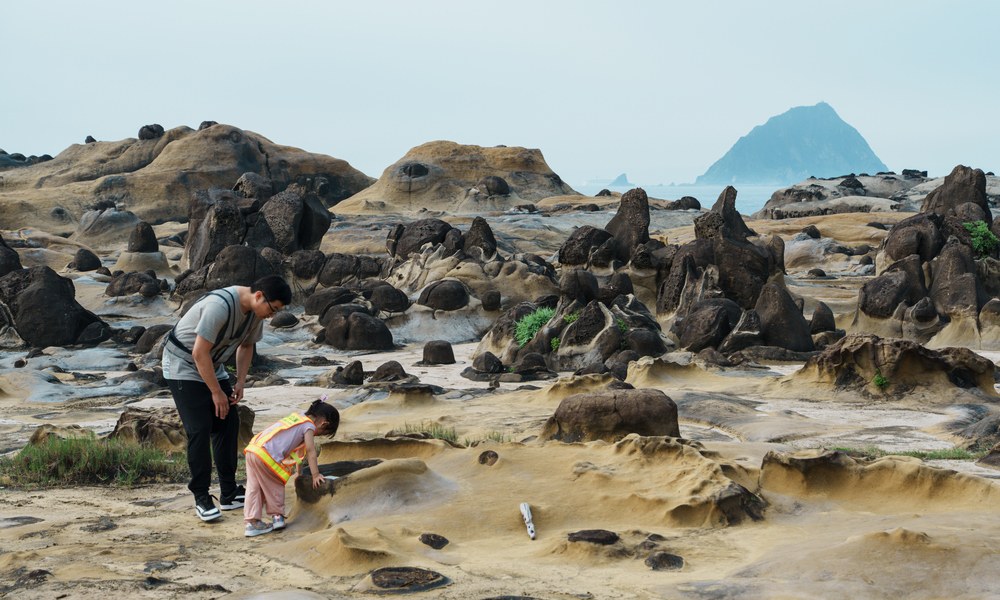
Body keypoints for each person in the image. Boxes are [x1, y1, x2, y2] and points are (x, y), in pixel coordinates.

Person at [162, 275, 292, 522]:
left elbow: (247, 346)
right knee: (199, 428)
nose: (271, 315)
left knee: (228, 422)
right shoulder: (220, 306)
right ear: (259, 296)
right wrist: (216, 392)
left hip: (212, 364)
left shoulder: (256, 313)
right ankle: (201, 497)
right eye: (273, 309)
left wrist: (240, 381)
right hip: (183, 364)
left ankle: (229, 492)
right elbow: (198, 353)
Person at [242, 398, 340, 537]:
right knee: (275, 484)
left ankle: (251, 523)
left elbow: (297, 452)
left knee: (253, 487)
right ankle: (277, 517)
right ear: (324, 423)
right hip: (266, 455)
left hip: (253, 449)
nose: (317, 435)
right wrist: (315, 475)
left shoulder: (296, 418)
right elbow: (310, 451)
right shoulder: (309, 426)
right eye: (322, 433)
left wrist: (299, 473)